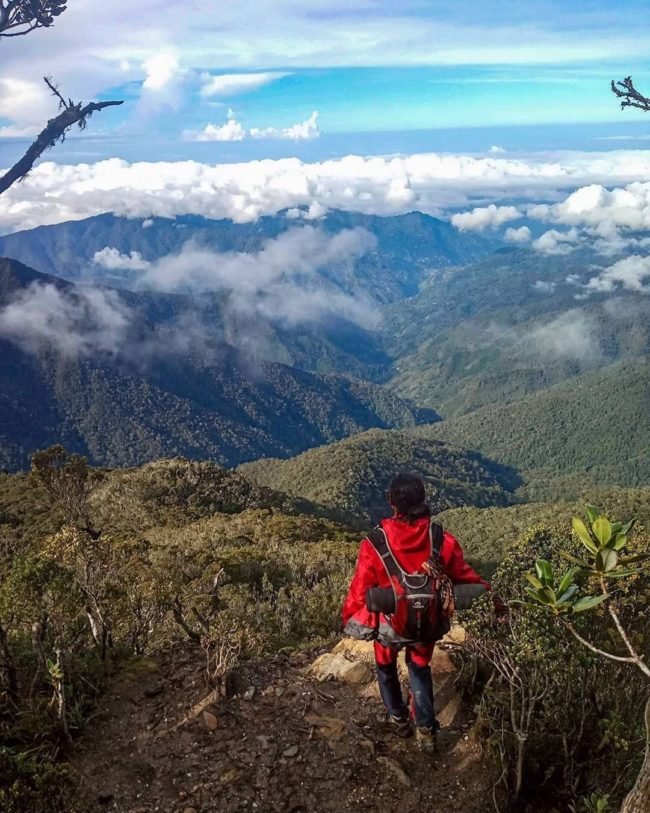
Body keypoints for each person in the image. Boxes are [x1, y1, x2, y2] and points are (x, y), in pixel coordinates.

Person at [341, 473, 490, 752]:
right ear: (423, 501)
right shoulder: (441, 540)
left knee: (385, 666)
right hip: (427, 622)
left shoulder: (375, 543)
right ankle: (426, 730)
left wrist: (349, 615)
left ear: (391, 503)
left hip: (390, 625)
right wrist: (493, 596)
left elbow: (360, 587)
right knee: (419, 668)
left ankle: (397, 717)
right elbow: (466, 576)